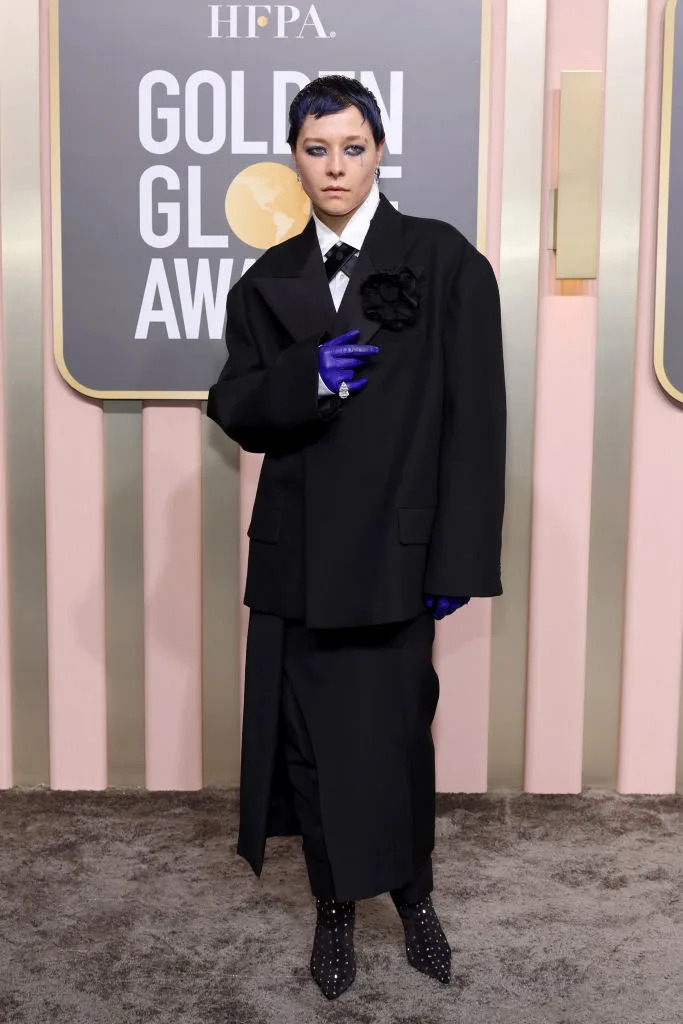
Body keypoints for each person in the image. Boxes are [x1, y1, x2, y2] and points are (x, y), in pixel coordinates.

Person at [206, 75, 506, 1000]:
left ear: (380, 150)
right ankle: (333, 909)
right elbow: (237, 408)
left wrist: (457, 555)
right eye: (316, 148)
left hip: (399, 553)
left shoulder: (444, 258)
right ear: (291, 159)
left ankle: (413, 898)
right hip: (300, 558)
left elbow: (477, 418)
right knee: (311, 746)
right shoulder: (268, 280)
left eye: (352, 147)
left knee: (394, 736)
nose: (335, 166)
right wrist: (308, 377)